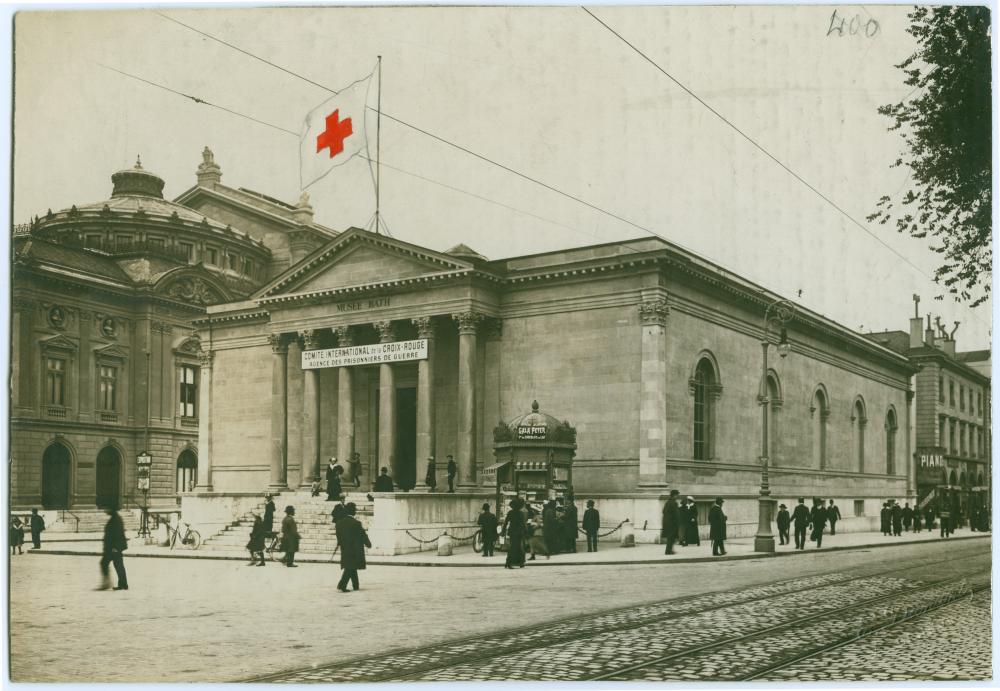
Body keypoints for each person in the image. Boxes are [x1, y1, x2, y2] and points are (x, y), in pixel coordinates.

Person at [335, 502, 371, 592]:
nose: (355, 511)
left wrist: (341, 543)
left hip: (345, 548)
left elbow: (339, 536)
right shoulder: (356, 523)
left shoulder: (339, 523)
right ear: (352, 511)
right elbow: (363, 535)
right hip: (355, 549)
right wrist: (368, 544)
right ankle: (342, 585)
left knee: (351, 567)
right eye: (354, 509)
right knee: (350, 567)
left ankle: (356, 585)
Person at [98, 504, 128, 591]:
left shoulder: (116, 519)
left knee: (106, 563)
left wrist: (116, 547)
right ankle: (122, 584)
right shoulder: (114, 518)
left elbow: (118, 535)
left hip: (113, 548)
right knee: (118, 565)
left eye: (107, 508)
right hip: (112, 548)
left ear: (111, 509)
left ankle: (107, 583)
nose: (105, 510)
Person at [502, 498, 527, 568]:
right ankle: (520, 563)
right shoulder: (520, 514)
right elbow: (523, 524)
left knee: (512, 547)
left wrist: (503, 531)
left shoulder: (510, 513)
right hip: (519, 532)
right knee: (519, 547)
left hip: (512, 532)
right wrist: (525, 531)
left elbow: (506, 522)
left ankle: (508, 562)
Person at [662, 489, 680, 555]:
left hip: (666, 522)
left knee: (670, 537)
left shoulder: (667, 502)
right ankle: (668, 551)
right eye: (677, 495)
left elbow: (663, 511)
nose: (677, 496)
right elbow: (676, 514)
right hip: (672, 523)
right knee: (671, 538)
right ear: (674, 495)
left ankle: (670, 550)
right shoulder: (674, 503)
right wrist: (677, 521)